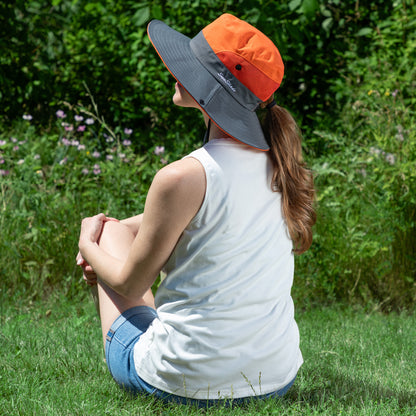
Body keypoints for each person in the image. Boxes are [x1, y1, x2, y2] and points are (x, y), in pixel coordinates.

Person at [76, 13, 316, 406]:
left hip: (181, 384)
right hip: (275, 378)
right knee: (115, 232)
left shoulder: (181, 177)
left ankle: (166, 348)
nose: (176, 71)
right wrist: (111, 235)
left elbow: (130, 284)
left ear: (208, 90)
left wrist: (89, 241)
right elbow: (186, 223)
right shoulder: (279, 165)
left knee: (108, 241)